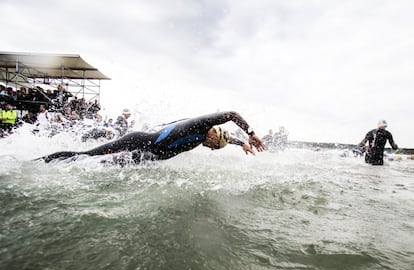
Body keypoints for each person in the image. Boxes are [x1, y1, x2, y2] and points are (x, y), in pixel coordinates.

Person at [38, 111, 265, 164]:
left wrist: (242, 143)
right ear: (214, 134)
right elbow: (232, 115)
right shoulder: (201, 125)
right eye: (215, 146)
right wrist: (251, 134)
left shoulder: (205, 138)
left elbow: (228, 140)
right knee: (86, 156)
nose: (211, 148)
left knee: (98, 165)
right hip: (138, 142)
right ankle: (46, 160)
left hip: (144, 156)